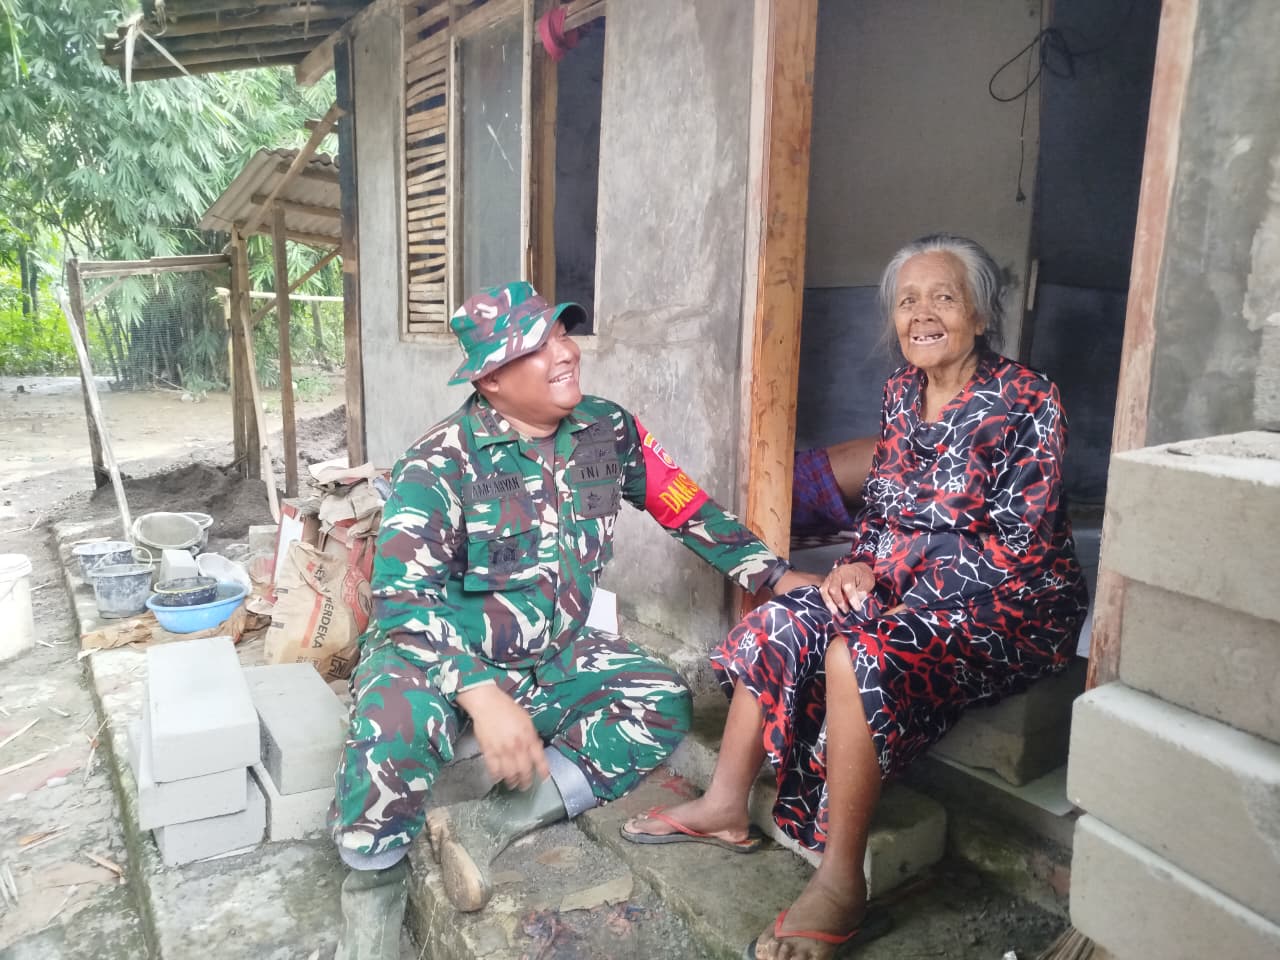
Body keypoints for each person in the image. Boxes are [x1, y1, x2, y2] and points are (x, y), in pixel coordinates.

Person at [621, 234, 1089, 960]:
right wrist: (857, 568)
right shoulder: (902, 393)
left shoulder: (1028, 399)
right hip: (907, 584)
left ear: (979, 315)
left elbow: (1019, 546)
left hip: (1011, 605)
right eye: (907, 302)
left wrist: (909, 601)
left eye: (943, 297)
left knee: (855, 654)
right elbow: (883, 513)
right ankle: (724, 805)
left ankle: (843, 881)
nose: (921, 314)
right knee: (790, 614)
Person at [329, 281, 818, 960]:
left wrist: (774, 574)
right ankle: (373, 901)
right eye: (536, 346)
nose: (564, 352)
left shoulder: (606, 429)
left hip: (553, 652)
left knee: (660, 700)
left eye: (562, 333)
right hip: (441, 653)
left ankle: (490, 824)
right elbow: (402, 601)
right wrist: (481, 696)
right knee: (391, 728)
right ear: (491, 381)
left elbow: (685, 506)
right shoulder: (439, 461)